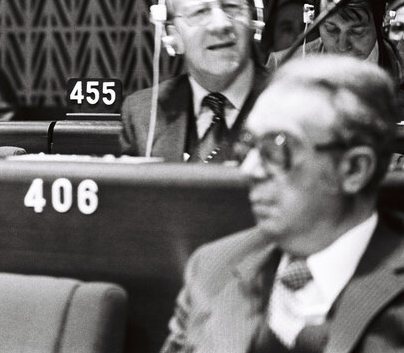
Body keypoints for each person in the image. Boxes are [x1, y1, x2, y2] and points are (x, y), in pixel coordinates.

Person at [160, 55, 404, 352]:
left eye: (277, 148)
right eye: (248, 145)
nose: (249, 169)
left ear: (353, 169)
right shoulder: (212, 268)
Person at [119, 0, 268, 162]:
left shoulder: (293, 102)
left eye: (232, 7)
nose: (220, 24)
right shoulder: (143, 112)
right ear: (171, 36)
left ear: (255, 19)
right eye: (199, 12)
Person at [268, 0, 404, 84]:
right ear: (313, 17)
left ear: (384, 18)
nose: (342, 46)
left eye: (357, 31)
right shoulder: (281, 68)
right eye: (332, 29)